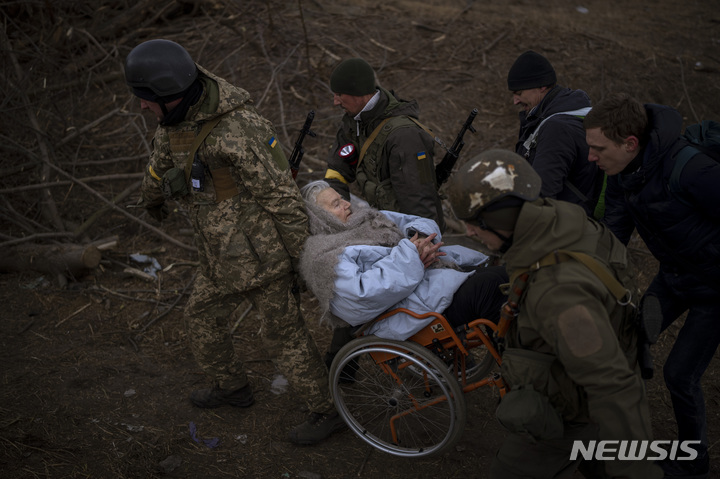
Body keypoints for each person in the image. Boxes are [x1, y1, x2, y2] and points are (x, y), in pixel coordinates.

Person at [124, 39, 344, 445]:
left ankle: (327, 410)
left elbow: (282, 198)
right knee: (201, 317)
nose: (140, 106)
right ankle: (232, 387)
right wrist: (152, 198)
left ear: (168, 95)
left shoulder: (240, 128)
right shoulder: (173, 121)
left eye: (144, 99)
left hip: (261, 258)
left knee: (283, 335)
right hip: (217, 256)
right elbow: (159, 167)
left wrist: (303, 259)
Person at [447, 149, 662, 478]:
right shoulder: (563, 218)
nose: (471, 232)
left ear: (502, 218)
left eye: (476, 224)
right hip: (585, 378)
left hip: (568, 413)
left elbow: (610, 383)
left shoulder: (558, 293)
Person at [584, 93, 720, 479]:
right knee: (630, 336)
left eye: (598, 149)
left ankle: (695, 462)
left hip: (714, 291)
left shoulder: (694, 170)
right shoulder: (625, 173)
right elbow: (612, 237)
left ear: (629, 143)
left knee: (680, 374)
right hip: (675, 277)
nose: (591, 158)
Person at [298, 180, 507, 349]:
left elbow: (413, 221)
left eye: (342, 198)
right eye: (336, 204)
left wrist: (422, 239)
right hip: (408, 314)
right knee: (493, 286)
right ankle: (515, 369)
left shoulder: (365, 219)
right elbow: (360, 296)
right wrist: (412, 255)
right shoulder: (324, 257)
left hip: (429, 286)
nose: (347, 204)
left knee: (504, 277)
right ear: (320, 219)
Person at [323, 57, 446, 231]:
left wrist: (422, 242)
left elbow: (418, 200)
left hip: (411, 233)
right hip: (382, 227)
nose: (335, 101)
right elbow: (337, 172)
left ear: (358, 93)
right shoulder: (353, 123)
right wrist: (335, 218)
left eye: (339, 94)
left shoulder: (404, 136)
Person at [507, 50, 603, 217]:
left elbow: (541, 193)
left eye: (519, 93)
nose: (515, 100)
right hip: (578, 222)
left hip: (564, 229)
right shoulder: (567, 112)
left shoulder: (557, 128)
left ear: (542, 86)